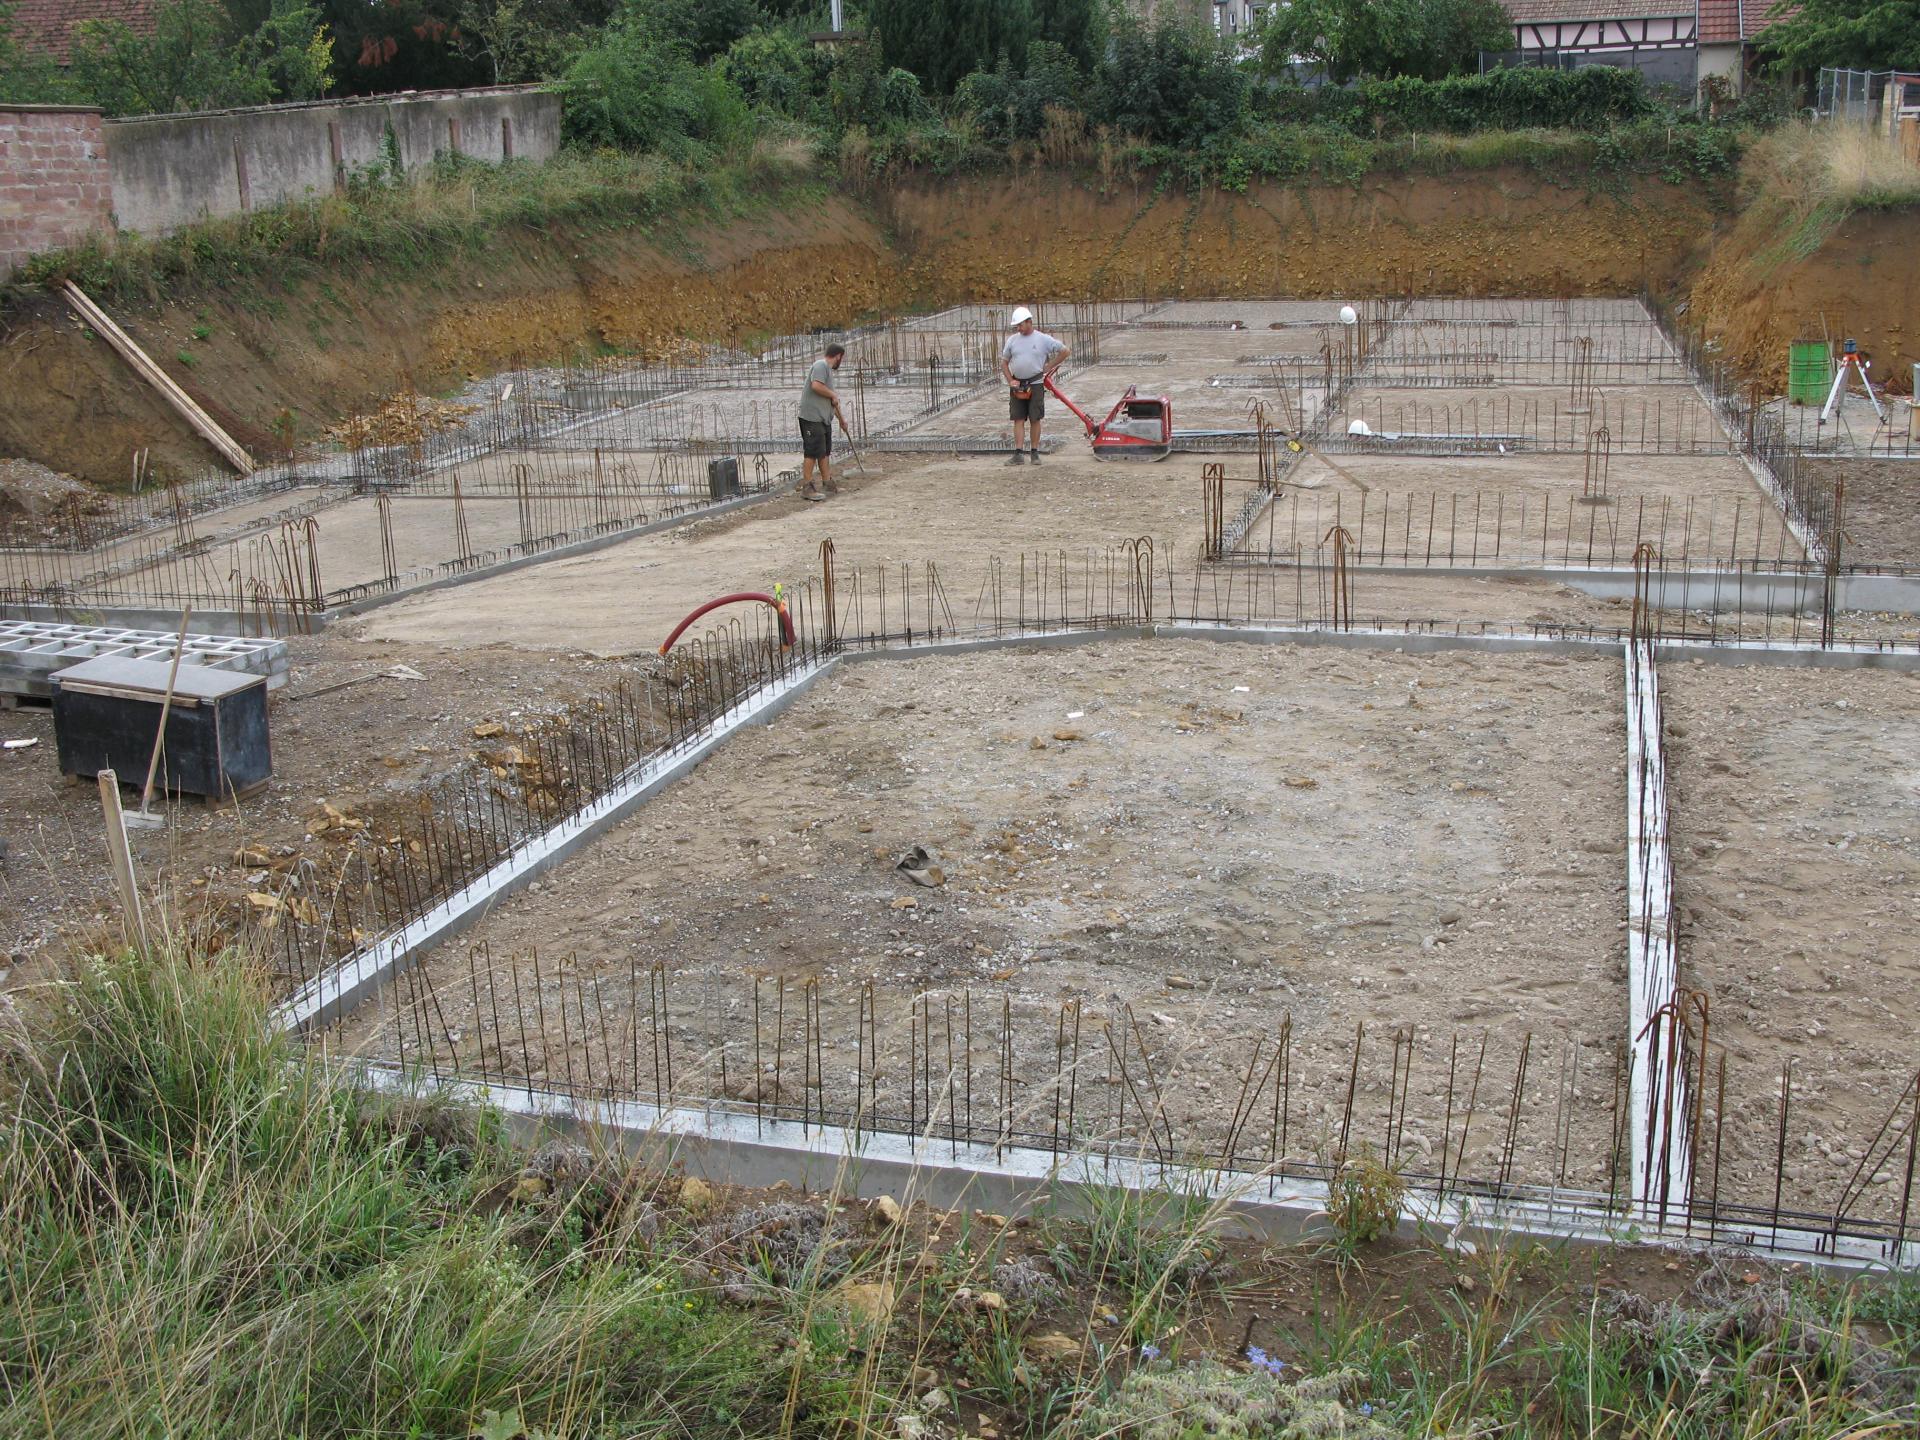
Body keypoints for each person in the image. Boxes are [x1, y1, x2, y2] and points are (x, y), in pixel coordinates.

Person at [999, 306, 1069, 466]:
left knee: (1035, 418)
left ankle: (1034, 452)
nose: (1018, 328)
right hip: (1018, 385)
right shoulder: (1012, 340)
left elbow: (1065, 351)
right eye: (1016, 326)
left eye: (1020, 325)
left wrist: (1050, 365)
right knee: (1018, 418)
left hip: (1035, 384)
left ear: (1029, 322)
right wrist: (1010, 380)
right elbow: (1004, 362)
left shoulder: (1043, 339)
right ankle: (1018, 453)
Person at [797, 342, 847, 501]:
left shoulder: (828, 372)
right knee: (812, 452)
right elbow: (816, 386)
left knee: (824, 451)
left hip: (823, 418)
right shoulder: (821, 365)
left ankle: (827, 483)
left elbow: (831, 400)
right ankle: (807, 487)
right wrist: (832, 394)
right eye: (842, 359)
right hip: (812, 417)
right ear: (838, 356)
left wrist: (841, 420)